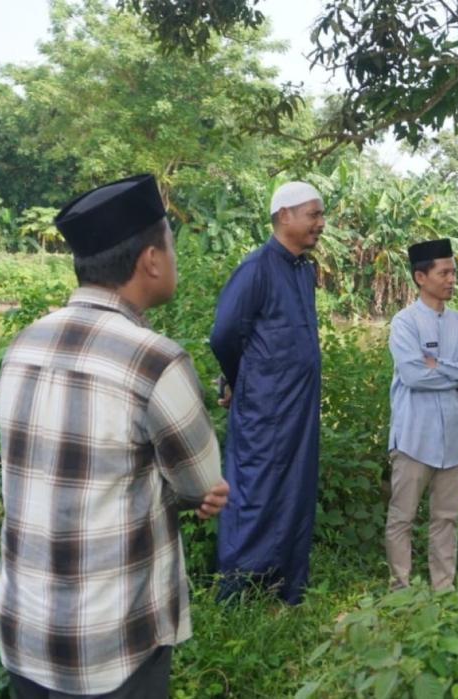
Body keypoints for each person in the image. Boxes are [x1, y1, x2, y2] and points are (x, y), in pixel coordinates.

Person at [0, 174, 229, 698]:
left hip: (24, 631)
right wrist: (187, 490)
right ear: (150, 259)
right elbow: (204, 482)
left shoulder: (23, 345)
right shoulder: (154, 360)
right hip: (114, 644)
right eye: (170, 244)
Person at [209, 182, 325, 604]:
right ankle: (238, 592)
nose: (320, 223)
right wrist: (240, 381)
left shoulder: (304, 271)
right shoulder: (256, 268)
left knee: (295, 492)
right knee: (254, 493)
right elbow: (223, 335)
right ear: (284, 216)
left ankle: (286, 586)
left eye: (320, 214)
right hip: (264, 409)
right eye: (312, 214)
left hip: (300, 409)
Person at [385, 238, 458, 592]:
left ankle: (442, 590)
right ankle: (400, 588)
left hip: (457, 441)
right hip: (415, 437)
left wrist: (441, 367)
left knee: (447, 518)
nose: (451, 280)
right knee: (402, 517)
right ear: (420, 277)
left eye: (453, 272)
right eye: (443, 273)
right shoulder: (405, 323)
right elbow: (413, 375)